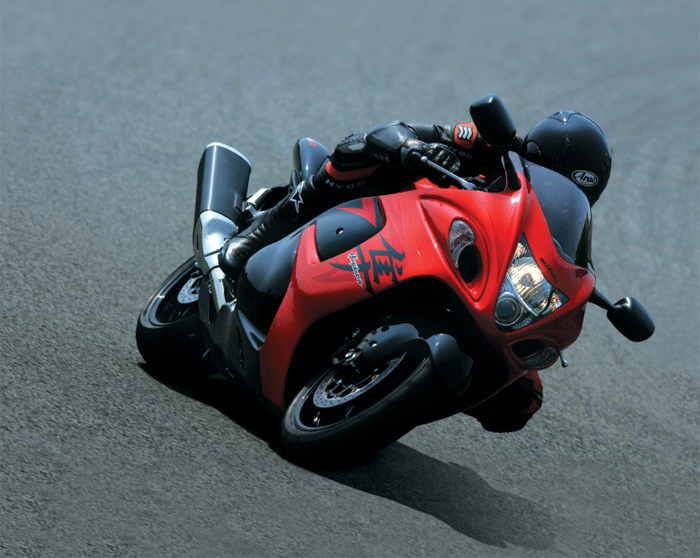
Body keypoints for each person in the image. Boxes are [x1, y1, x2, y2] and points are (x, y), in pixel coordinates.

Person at [219, 109, 612, 432]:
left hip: (471, 284)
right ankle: (265, 230)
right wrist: (414, 148)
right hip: (398, 216)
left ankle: (385, 396)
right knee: (361, 149)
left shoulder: (564, 231)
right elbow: (399, 131)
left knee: (523, 398)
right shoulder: (488, 144)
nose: (557, 193)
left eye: (572, 189)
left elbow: (564, 270)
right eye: (549, 174)